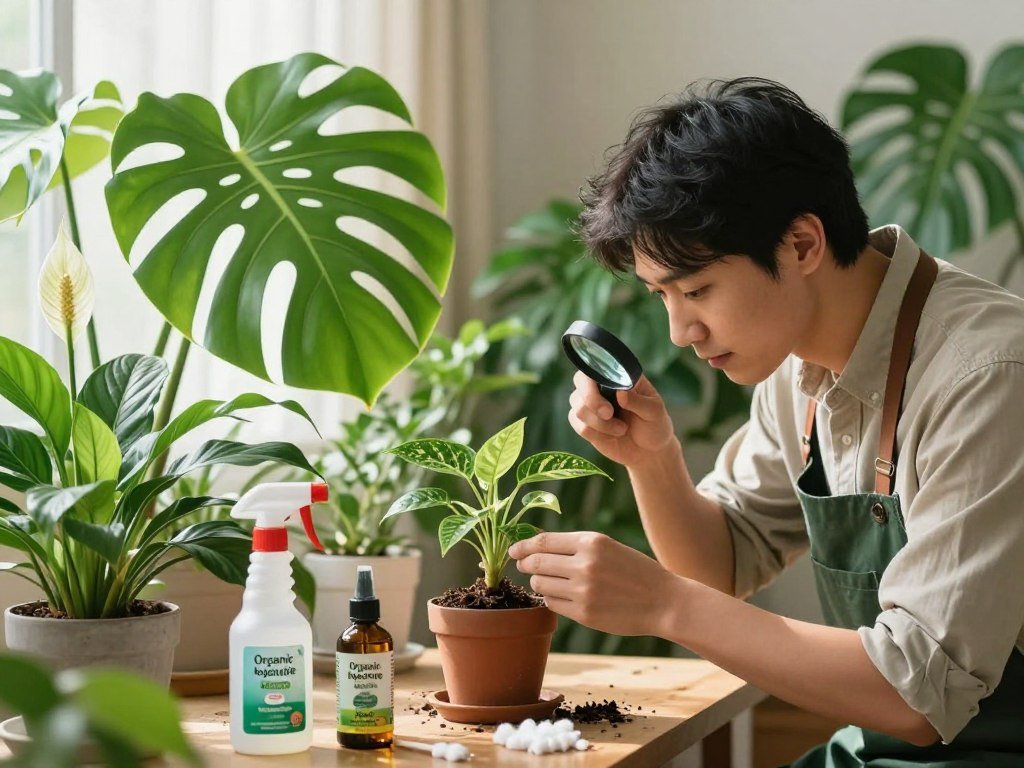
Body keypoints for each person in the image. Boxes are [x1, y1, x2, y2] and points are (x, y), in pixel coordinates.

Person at [507, 78, 1024, 766]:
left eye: (696, 290)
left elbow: (915, 695)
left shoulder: (987, 374)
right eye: (662, 295)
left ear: (802, 244)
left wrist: (664, 605)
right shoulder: (795, 363)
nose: (682, 331)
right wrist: (652, 459)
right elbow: (723, 563)